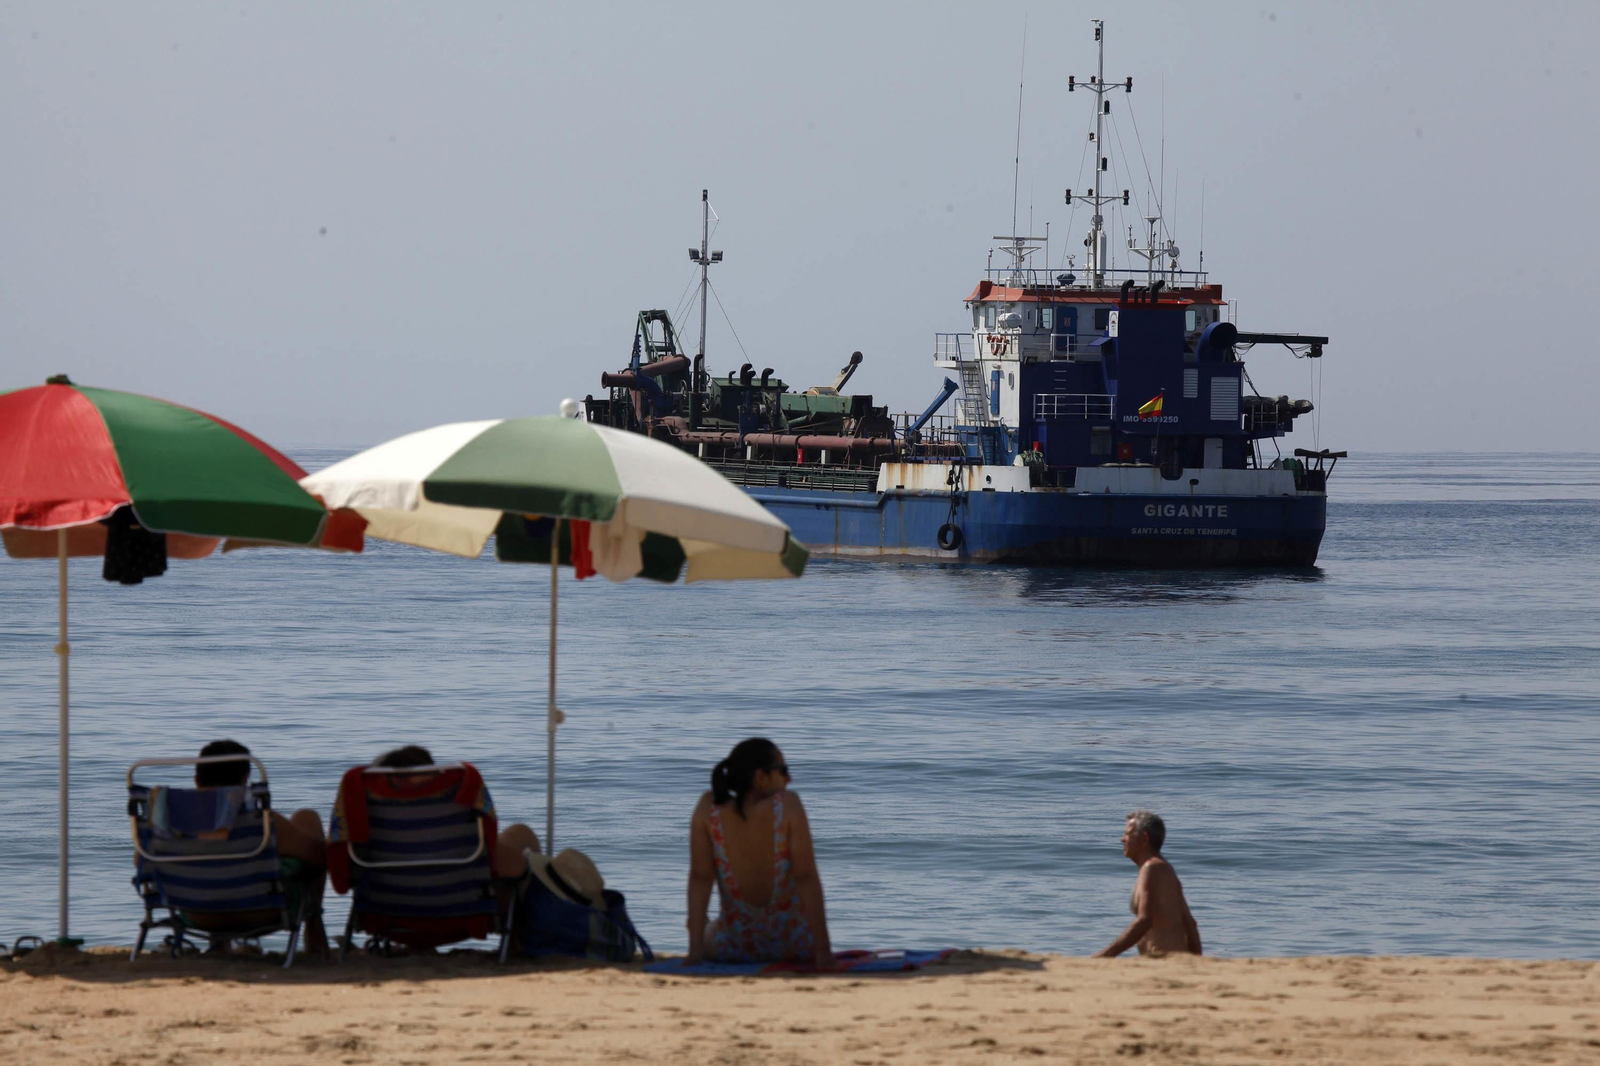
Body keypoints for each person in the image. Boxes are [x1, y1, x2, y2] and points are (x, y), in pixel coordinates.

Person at [685, 737, 833, 967]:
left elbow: (700, 878)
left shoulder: (708, 809)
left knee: (708, 926)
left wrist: (695, 952)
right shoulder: (788, 806)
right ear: (760, 777)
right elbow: (806, 877)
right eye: (783, 771)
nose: (789, 779)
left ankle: (700, 933)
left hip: (732, 947)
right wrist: (823, 951)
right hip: (794, 946)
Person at [188, 739, 329, 954]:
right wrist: (282, 861)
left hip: (197, 915)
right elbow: (321, 856)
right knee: (307, 818)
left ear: (197, 781)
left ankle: (218, 943)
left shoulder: (174, 824)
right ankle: (315, 933)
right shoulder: (262, 822)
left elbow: (143, 862)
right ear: (244, 779)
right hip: (261, 913)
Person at [370, 745, 541, 878]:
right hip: (461, 905)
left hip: (385, 906)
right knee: (520, 833)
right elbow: (514, 870)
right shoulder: (454, 821)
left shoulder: (372, 828)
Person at [1094, 810, 1202, 957]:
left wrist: (1103, 956)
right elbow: (1189, 923)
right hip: (1170, 960)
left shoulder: (1152, 868)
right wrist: (1197, 961)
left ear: (1144, 839)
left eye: (1128, 834)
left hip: (1164, 960)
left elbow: (1144, 921)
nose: (1122, 839)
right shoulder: (1163, 869)